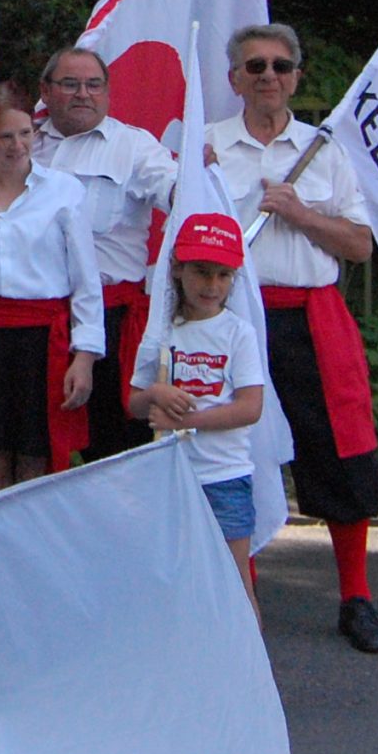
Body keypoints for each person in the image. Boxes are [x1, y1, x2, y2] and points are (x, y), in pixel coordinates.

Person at [206, 22, 378, 654]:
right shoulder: (207, 148)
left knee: (340, 448)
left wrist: (302, 214)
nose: (268, 77)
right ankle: (242, 597)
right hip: (235, 320)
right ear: (234, 79)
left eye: (281, 66)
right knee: (233, 451)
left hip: (312, 316)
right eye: (254, 66)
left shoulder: (324, 151)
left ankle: (357, 596)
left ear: (296, 78)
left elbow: (360, 246)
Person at [0, 81, 105, 497]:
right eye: (5, 137)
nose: (17, 146)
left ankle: (32, 561)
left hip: (43, 346)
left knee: (36, 473)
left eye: (25, 133)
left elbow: (86, 284)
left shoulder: (63, 192)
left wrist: (83, 358)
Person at [34, 45, 176, 460]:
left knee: (116, 457)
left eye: (94, 85)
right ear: (45, 90)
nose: (83, 94)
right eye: (70, 84)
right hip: (38, 317)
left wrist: (197, 183)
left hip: (110, 320)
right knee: (36, 454)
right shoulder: (22, 142)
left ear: (108, 92)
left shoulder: (133, 147)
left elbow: (172, 187)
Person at [128, 212, 270, 613]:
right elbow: (135, 403)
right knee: (174, 574)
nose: (212, 286)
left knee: (233, 572)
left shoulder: (238, 333)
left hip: (224, 474)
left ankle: (248, 664)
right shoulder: (161, 332)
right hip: (171, 475)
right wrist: (156, 393)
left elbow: (250, 407)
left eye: (223, 275)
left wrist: (187, 421)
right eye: (202, 273)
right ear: (177, 269)